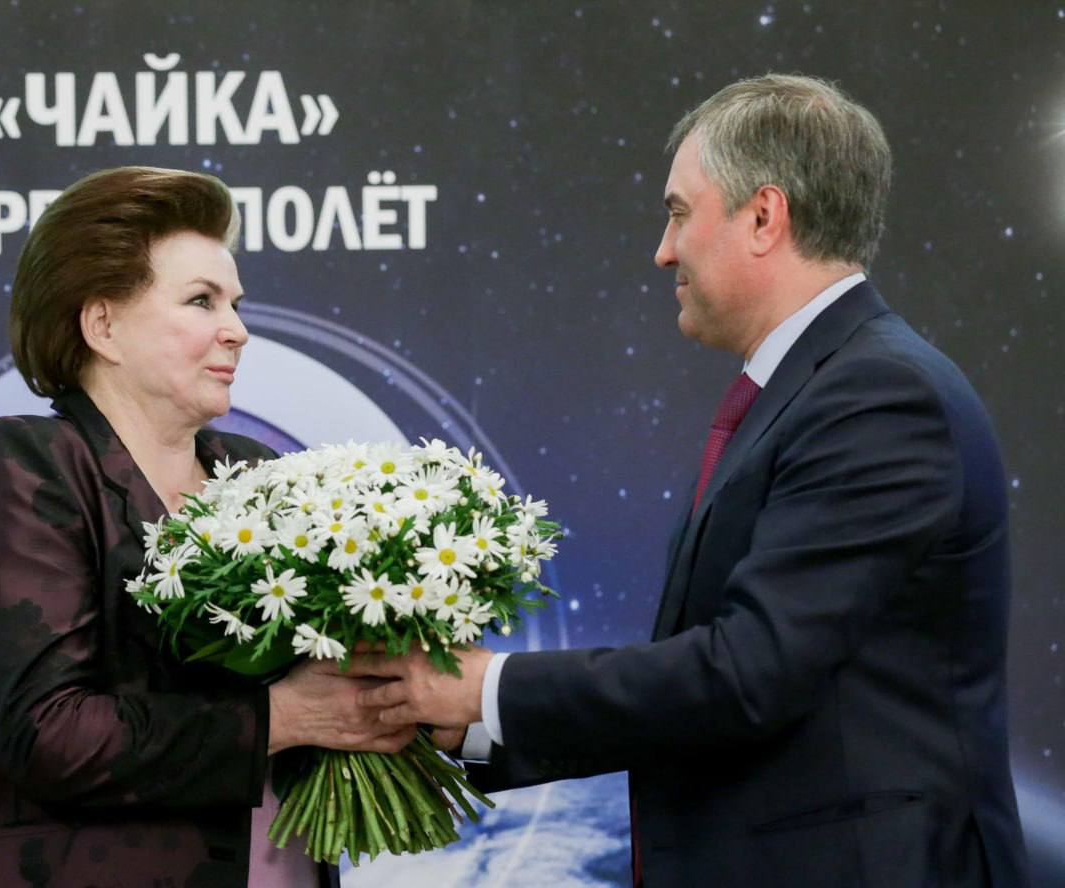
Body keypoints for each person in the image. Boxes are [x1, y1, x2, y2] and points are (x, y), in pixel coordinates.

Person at [353, 75, 1029, 887]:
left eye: (678, 212)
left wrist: (484, 689)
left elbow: (748, 673)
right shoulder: (817, 390)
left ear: (764, 217)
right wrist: (463, 724)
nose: (663, 250)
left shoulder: (878, 397)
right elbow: (717, 691)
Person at [0, 166, 412, 888]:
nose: (238, 330)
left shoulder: (257, 474)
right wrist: (284, 717)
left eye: (235, 304)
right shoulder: (30, 462)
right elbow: (51, 734)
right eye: (201, 300)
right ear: (103, 326)